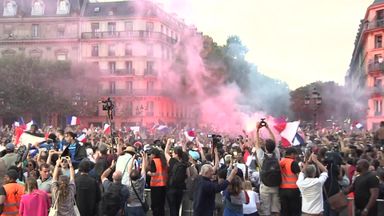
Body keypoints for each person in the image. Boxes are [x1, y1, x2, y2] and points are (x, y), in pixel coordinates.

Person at [255, 121, 281, 216]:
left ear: (265, 148)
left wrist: (257, 130)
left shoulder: (261, 156)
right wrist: (268, 128)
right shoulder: (277, 155)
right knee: (276, 209)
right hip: (276, 185)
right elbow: (274, 141)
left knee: (266, 210)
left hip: (265, 186)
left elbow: (257, 144)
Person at [164, 138, 189, 216]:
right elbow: (188, 175)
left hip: (171, 189)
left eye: (173, 153)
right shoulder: (184, 163)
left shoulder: (172, 161)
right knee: (177, 208)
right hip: (180, 189)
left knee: (172, 208)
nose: (172, 154)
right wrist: (183, 144)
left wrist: (168, 143)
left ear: (176, 154)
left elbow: (165, 152)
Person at [279, 147, 301, 216]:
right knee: (295, 210)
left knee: (285, 210)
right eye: (295, 155)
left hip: (282, 189)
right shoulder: (293, 163)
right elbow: (299, 176)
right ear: (292, 154)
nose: (296, 156)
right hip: (293, 189)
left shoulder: (281, 162)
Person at [126, 152, 148, 216]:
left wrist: (132, 158)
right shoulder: (142, 181)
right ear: (139, 175)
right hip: (140, 205)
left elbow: (129, 168)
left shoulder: (129, 182)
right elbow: (144, 168)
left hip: (130, 206)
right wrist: (143, 157)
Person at [148, 148, 168, 216]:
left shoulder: (154, 161)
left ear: (154, 154)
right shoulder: (163, 161)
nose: (150, 156)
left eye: (151, 154)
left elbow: (154, 173)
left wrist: (148, 173)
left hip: (156, 186)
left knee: (155, 206)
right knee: (161, 205)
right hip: (164, 185)